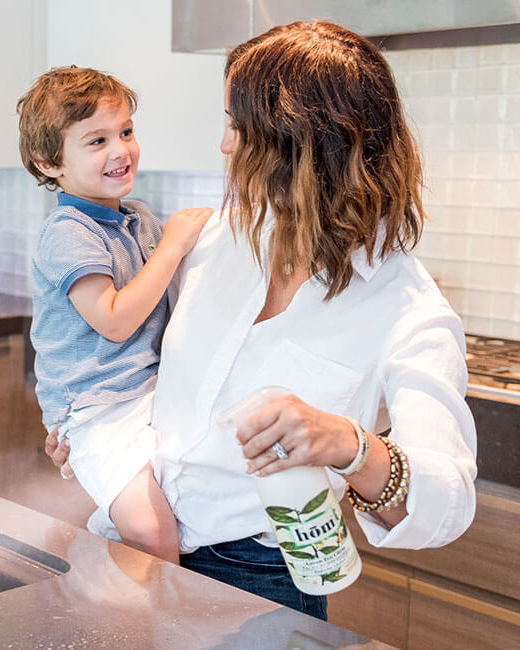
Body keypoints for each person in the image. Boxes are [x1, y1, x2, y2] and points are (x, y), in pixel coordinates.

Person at [45, 21, 478, 620]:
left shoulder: (407, 307)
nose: (224, 145)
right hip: (132, 545)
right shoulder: (213, 240)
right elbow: (130, 354)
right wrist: (90, 425)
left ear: (301, 142)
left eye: (236, 125)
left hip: (262, 580)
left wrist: (351, 447)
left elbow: (449, 501)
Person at [17, 66, 212, 563]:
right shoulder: (67, 231)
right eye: (97, 140)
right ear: (48, 162)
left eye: (125, 131)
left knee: (167, 514)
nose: (121, 150)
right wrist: (171, 247)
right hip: (97, 408)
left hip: (147, 396)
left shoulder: (138, 218)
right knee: (151, 532)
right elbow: (114, 319)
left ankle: (113, 581)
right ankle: (154, 635)